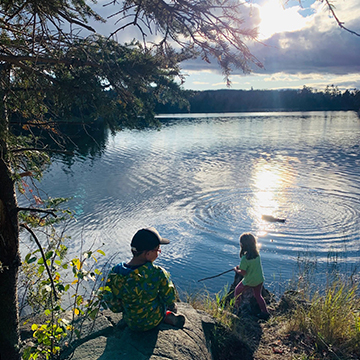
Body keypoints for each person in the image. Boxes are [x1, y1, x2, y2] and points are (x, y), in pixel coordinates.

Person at [102, 227, 185, 331]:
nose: (159, 252)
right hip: (153, 321)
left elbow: (114, 306)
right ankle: (167, 316)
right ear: (148, 254)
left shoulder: (115, 272)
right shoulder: (158, 273)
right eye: (158, 249)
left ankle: (131, 318)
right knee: (170, 305)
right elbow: (169, 298)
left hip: (130, 321)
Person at [233, 232, 270, 320]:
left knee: (237, 291)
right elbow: (251, 268)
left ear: (243, 245)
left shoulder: (244, 258)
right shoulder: (257, 255)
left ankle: (237, 308)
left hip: (249, 281)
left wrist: (236, 270)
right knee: (258, 296)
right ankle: (265, 312)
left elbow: (243, 273)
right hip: (259, 280)